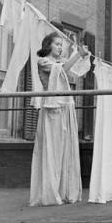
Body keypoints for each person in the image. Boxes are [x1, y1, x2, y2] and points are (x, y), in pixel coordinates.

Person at [29, 32, 89, 206]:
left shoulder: (58, 62)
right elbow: (62, 69)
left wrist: (80, 55)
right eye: (57, 44)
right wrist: (77, 54)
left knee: (66, 149)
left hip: (65, 106)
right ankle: (50, 192)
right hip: (53, 109)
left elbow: (68, 68)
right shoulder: (43, 62)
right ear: (48, 45)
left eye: (61, 44)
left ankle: (65, 190)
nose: (60, 47)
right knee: (52, 149)